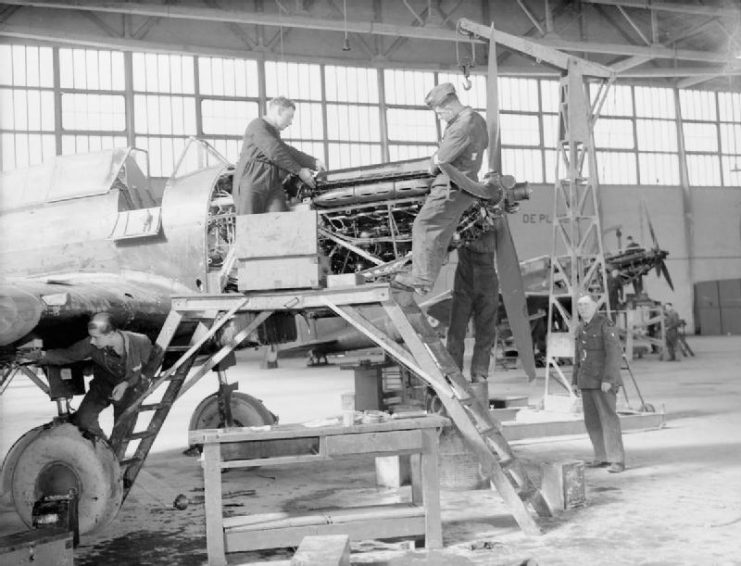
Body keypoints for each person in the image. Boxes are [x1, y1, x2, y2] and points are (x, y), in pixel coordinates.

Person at [394, 82, 488, 294]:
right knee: (439, 234)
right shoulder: (478, 121)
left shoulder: (462, 125)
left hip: (450, 186)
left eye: (439, 113)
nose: (440, 118)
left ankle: (420, 278)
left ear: (448, 106)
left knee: (423, 225)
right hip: (466, 187)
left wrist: (433, 161)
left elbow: (439, 160)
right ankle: (425, 281)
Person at [23, 313, 161, 440]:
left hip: (129, 390)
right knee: (83, 421)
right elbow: (68, 355)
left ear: (112, 334)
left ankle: (114, 455)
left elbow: (152, 363)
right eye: (91, 336)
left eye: (96, 337)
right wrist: (39, 356)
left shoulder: (140, 342)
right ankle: (105, 448)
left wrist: (132, 384)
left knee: (122, 432)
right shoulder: (91, 344)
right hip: (102, 387)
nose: (92, 341)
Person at [232, 96, 326, 215]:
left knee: (281, 219)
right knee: (249, 225)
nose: (291, 122)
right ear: (279, 112)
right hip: (252, 181)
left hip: (272, 183)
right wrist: (299, 171)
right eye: (289, 116)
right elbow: (275, 151)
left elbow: (287, 151)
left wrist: (313, 162)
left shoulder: (273, 133)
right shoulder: (257, 125)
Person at [571, 294, 626, 473]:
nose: (582, 308)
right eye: (580, 305)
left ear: (595, 306)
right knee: (592, 422)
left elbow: (614, 354)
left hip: (603, 382)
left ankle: (617, 460)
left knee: (609, 419)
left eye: (586, 304)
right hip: (586, 381)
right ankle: (601, 457)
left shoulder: (605, 324)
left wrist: (609, 379)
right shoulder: (580, 328)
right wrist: (574, 381)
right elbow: (578, 358)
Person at [446, 230, 498, 382]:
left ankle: (479, 372)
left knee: (485, 332)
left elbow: (485, 246)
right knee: (456, 331)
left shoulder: (490, 224)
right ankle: (454, 372)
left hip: (486, 283)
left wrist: (462, 240)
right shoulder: (462, 224)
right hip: (464, 282)